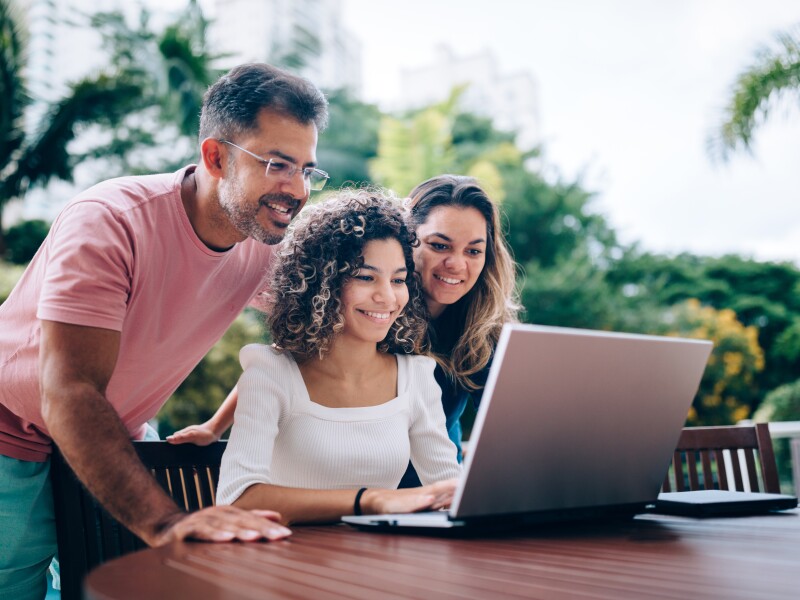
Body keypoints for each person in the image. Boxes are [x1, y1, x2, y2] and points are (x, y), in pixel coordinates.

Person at [0, 63, 328, 600]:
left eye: (307, 170)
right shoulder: (110, 220)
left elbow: (305, 344)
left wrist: (219, 423)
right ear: (216, 156)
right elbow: (70, 391)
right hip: (12, 436)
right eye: (277, 164)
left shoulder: (262, 247)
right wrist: (166, 523)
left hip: (116, 437)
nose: (295, 189)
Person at [169, 175, 520, 473]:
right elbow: (283, 362)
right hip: (358, 479)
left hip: (433, 483)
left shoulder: (483, 328)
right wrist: (215, 427)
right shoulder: (371, 309)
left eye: (474, 251)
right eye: (439, 245)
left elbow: (514, 425)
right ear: (408, 236)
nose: (457, 264)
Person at [216, 190, 461, 524]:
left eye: (399, 280)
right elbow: (237, 500)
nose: (387, 296)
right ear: (322, 283)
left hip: (379, 565)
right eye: (365, 277)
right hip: (283, 563)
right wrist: (369, 501)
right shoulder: (271, 372)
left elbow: (449, 491)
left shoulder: (416, 378)